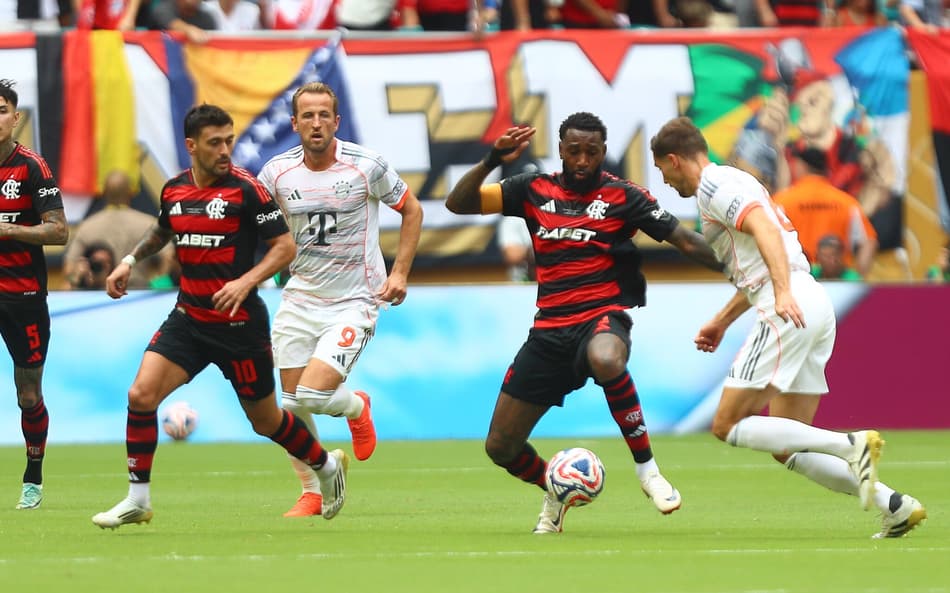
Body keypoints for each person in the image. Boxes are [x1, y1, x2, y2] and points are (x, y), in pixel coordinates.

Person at [444, 112, 724, 534]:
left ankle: (648, 471)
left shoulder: (623, 196)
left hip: (601, 317)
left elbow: (684, 239)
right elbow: (458, 203)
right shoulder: (531, 190)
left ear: (602, 153)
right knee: (500, 447)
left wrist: (741, 269)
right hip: (548, 332)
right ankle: (556, 489)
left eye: (591, 152)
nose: (582, 160)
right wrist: (492, 159)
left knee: (606, 358)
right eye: (574, 151)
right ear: (560, 150)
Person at [650, 116, 926, 538]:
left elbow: (763, 229)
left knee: (726, 424)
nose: (665, 182)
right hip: (811, 301)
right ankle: (895, 505)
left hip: (788, 305)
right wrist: (722, 321)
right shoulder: (736, 180)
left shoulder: (712, 186)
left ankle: (849, 444)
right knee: (786, 447)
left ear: (673, 159)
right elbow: (759, 260)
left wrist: (780, 294)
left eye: (662, 171)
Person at [91, 104, 350, 529]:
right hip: (189, 320)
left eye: (229, 140)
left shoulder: (246, 190)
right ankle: (138, 499)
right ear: (191, 146)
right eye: (215, 143)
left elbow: (284, 247)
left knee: (266, 421)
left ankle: (325, 466)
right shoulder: (174, 190)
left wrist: (245, 282)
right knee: (140, 396)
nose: (225, 150)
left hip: (240, 326)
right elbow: (163, 228)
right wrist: (129, 259)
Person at [257, 82, 423, 517]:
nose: (316, 123)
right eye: (307, 116)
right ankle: (313, 489)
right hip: (300, 297)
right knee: (289, 405)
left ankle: (356, 405)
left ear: (336, 121)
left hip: (355, 299)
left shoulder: (366, 166)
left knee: (310, 394)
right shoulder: (276, 174)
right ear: (294, 124)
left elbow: (411, 209)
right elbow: (258, 227)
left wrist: (401, 271)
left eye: (323, 115)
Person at [0, 79, 69, 510]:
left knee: (28, 393)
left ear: (15, 118)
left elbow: (59, 230)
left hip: (22, 296)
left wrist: (9, 229)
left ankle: (33, 479)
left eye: (1, 109)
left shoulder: (32, 168)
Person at [772, 146, 878, 278]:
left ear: (801, 166)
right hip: (838, 282)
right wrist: (858, 279)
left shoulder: (782, 201)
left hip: (798, 279)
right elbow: (869, 241)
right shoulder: (847, 202)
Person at [62, 169, 175, 290]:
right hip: (139, 293)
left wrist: (80, 277)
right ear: (131, 192)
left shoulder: (87, 226)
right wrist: (159, 283)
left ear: (104, 192)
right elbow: (169, 256)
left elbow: (69, 268)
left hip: (101, 294)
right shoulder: (147, 223)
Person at [497, 215, 534, 282]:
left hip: (553, 281)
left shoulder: (556, 215)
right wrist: (536, 250)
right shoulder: (512, 218)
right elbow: (512, 255)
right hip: (522, 284)